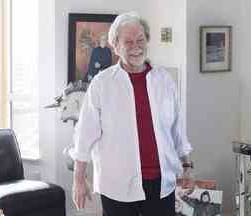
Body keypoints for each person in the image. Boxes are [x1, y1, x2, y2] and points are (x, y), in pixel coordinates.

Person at [71, 11, 194, 216]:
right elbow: (84, 135)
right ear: (115, 46)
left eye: (140, 39)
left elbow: (177, 131)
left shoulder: (164, 80)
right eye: (128, 42)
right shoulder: (102, 84)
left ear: (147, 40)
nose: (136, 47)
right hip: (117, 187)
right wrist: (78, 179)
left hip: (162, 183)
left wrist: (187, 167)